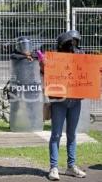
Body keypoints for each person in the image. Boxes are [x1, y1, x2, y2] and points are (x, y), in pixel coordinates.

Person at [47, 30, 86, 180]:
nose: (73, 46)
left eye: (75, 43)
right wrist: (44, 65)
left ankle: (71, 166)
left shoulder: (82, 56)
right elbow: (45, 74)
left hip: (75, 101)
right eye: (70, 43)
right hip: (59, 101)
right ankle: (54, 168)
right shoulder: (55, 58)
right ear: (62, 45)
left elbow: (90, 71)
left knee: (72, 134)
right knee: (56, 134)